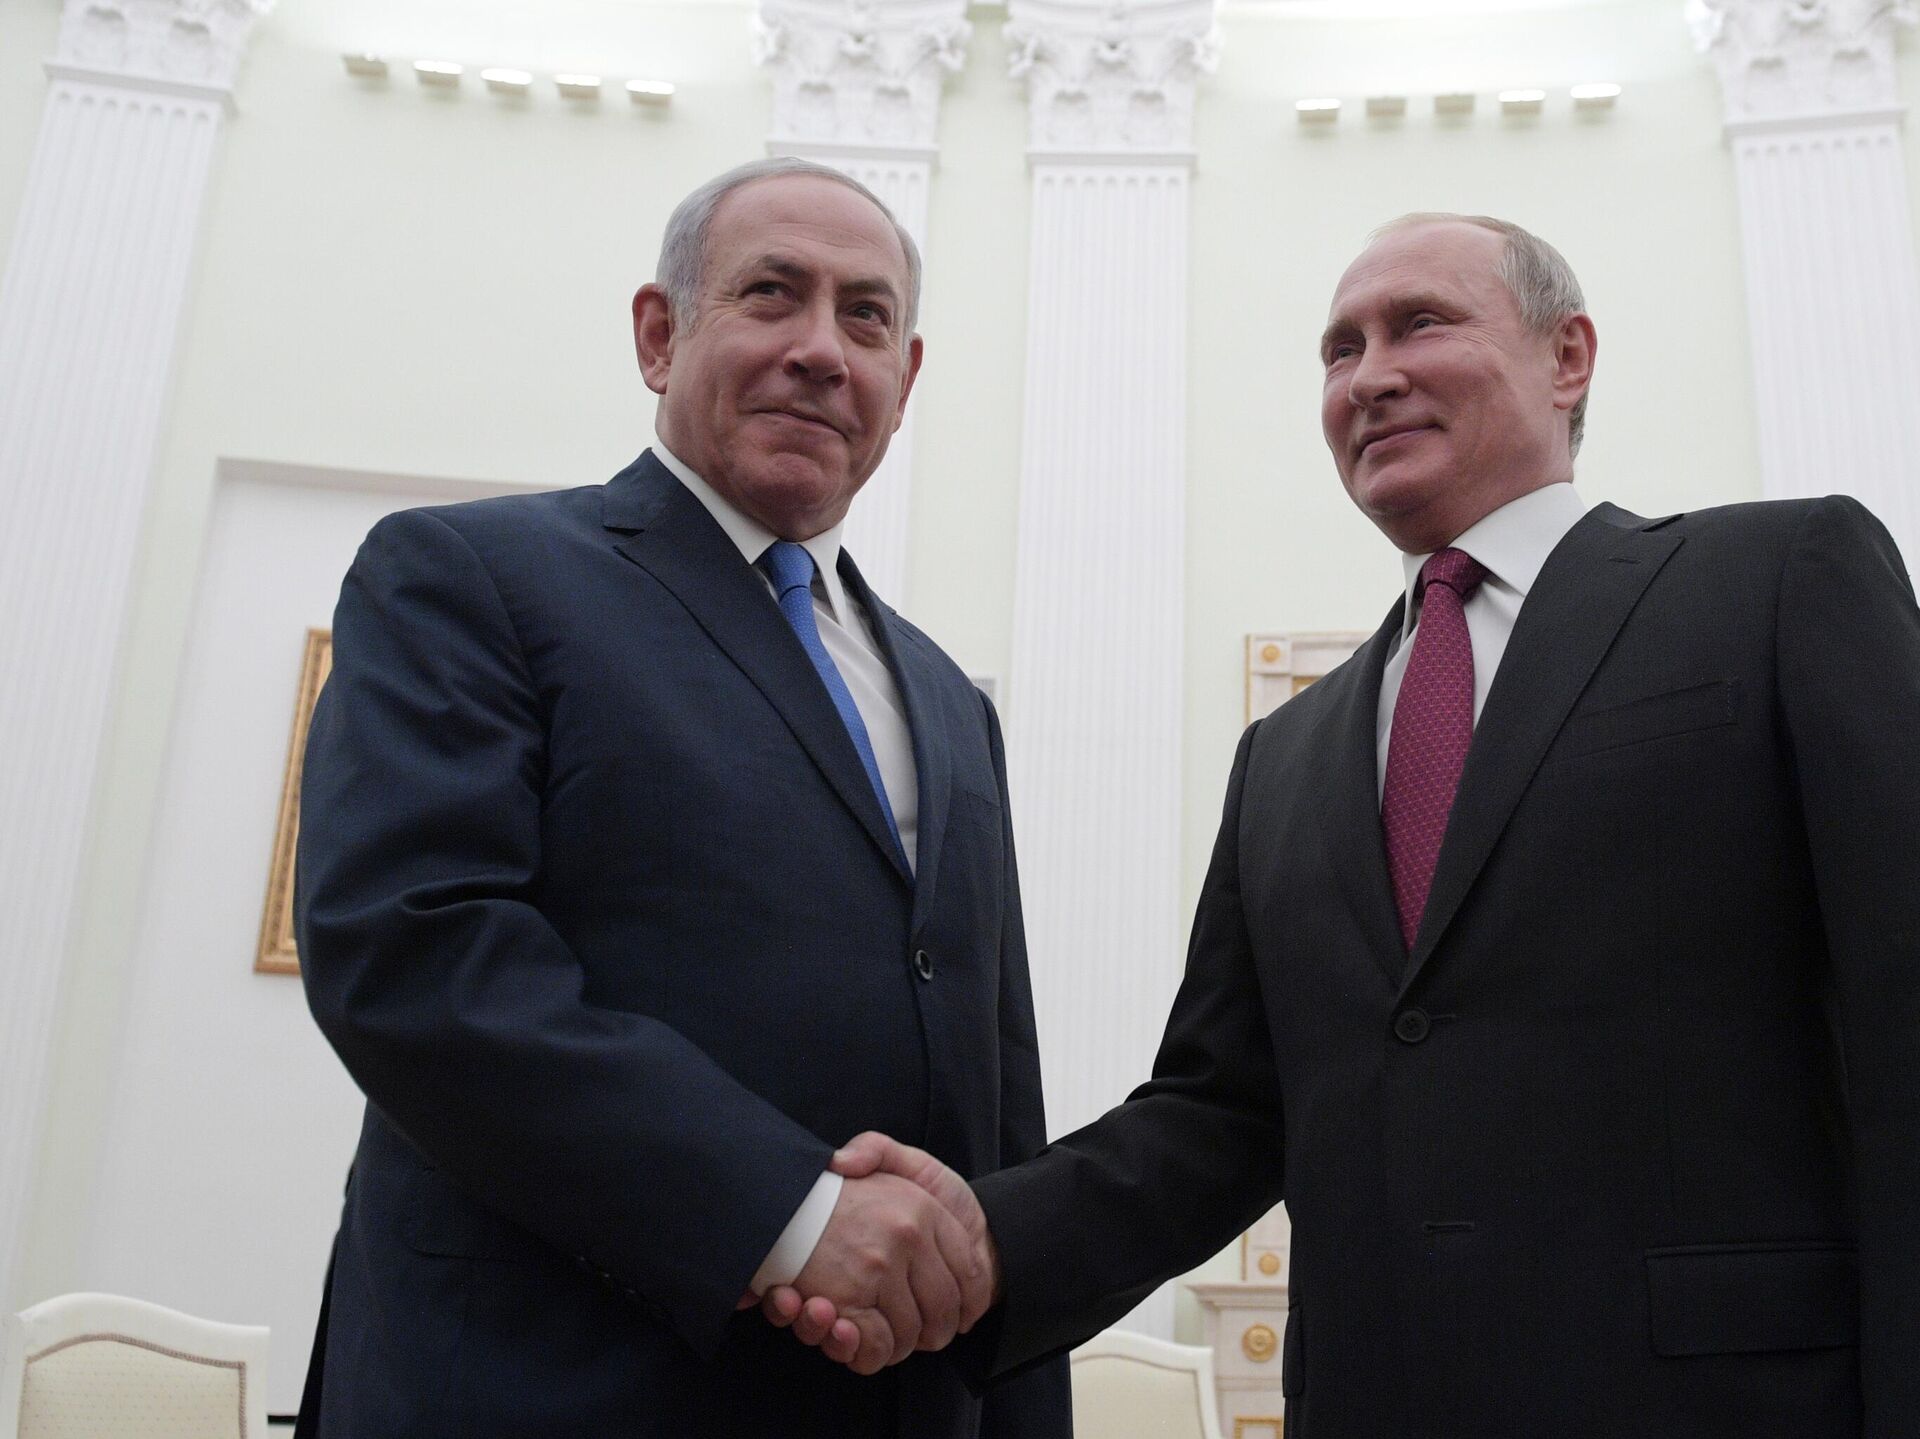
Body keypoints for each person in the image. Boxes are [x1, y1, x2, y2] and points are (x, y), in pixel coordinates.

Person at [773, 214, 1920, 1438]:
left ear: (1568, 355)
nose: (1370, 376)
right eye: (1340, 349)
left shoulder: (1775, 579)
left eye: (1420, 324)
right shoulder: (1285, 755)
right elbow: (1220, 1116)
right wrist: (985, 1239)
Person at [291, 156, 1070, 1439]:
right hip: (543, 1389)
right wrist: (791, 1214)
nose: (821, 350)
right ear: (660, 335)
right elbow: (414, 953)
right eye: (772, 293)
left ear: (905, 377)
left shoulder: (947, 698)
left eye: (866, 317)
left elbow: (998, 1088)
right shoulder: (470, 576)